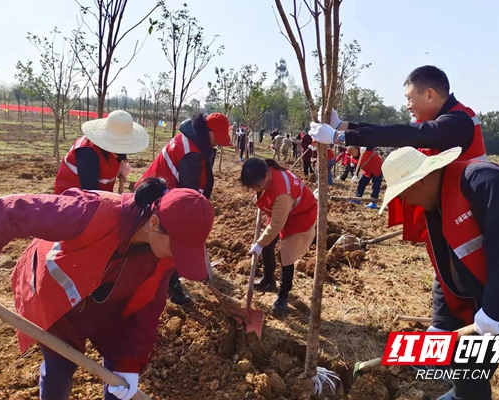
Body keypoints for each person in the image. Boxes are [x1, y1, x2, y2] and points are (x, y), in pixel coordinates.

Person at [0, 179, 214, 400]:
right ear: (155, 222)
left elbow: (150, 306)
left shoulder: (164, 255)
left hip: (108, 301)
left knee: (120, 377)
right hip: (58, 294)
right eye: (177, 247)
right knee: (59, 366)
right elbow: (7, 213)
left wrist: (129, 362)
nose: (176, 256)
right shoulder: (91, 210)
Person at [378, 147, 499, 400]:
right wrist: (442, 326)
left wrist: (493, 312)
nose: (406, 202)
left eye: (403, 194)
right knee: (466, 368)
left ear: (420, 179)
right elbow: (446, 273)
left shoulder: (484, 182)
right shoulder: (438, 206)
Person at [308, 65, 486, 242]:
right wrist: (345, 127)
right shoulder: (445, 120)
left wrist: (339, 137)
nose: (407, 106)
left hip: (466, 216)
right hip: (447, 209)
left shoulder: (458, 122)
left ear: (430, 95)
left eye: (409, 99)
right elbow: (394, 131)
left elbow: (407, 134)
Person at [138, 112, 231, 305]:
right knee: (172, 240)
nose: (218, 144)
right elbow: (187, 198)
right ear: (208, 131)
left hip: (164, 191)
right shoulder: (191, 153)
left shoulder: (194, 141)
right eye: (218, 139)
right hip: (159, 196)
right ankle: (169, 285)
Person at [240, 158, 317, 315]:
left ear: (266, 177)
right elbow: (276, 218)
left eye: (255, 186)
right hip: (283, 211)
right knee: (268, 245)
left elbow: (276, 225)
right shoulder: (264, 169)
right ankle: (269, 279)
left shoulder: (282, 193)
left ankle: (283, 294)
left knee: (286, 255)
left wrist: (259, 244)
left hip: (301, 215)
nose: (254, 189)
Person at [54, 110, 149, 195]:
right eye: (121, 142)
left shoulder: (117, 147)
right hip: (74, 203)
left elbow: (120, 154)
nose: (123, 148)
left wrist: (122, 163)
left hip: (99, 197)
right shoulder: (87, 153)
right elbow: (90, 196)